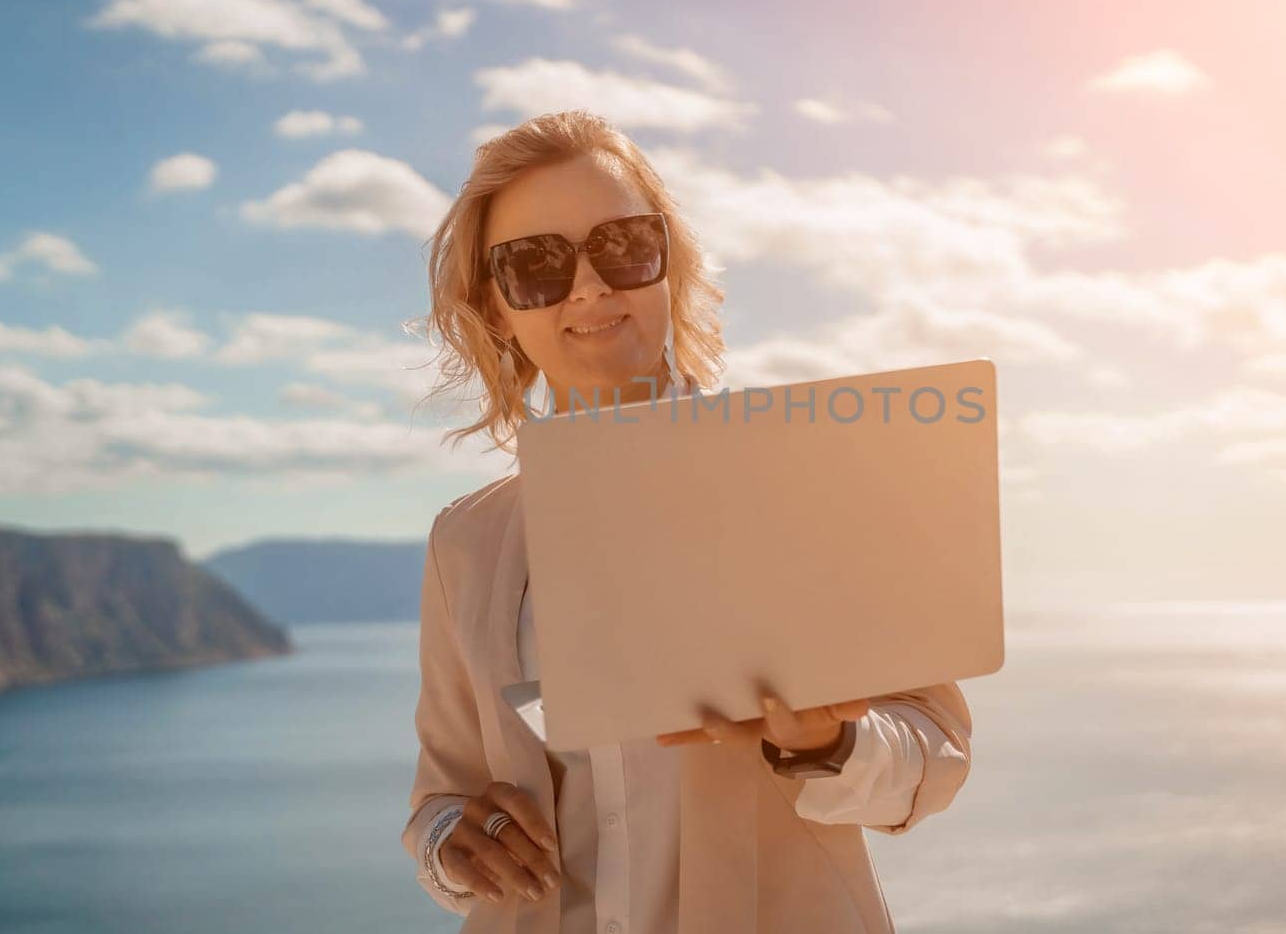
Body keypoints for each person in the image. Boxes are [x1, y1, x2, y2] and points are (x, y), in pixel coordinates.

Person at [399, 110, 974, 933]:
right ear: (495, 309)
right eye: (537, 265)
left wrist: (825, 743)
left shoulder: (806, 476)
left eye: (623, 245)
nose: (591, 287)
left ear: (669, 262)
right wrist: (455, 843)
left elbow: (936, 755)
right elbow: (440, 798)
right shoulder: (467, 544)